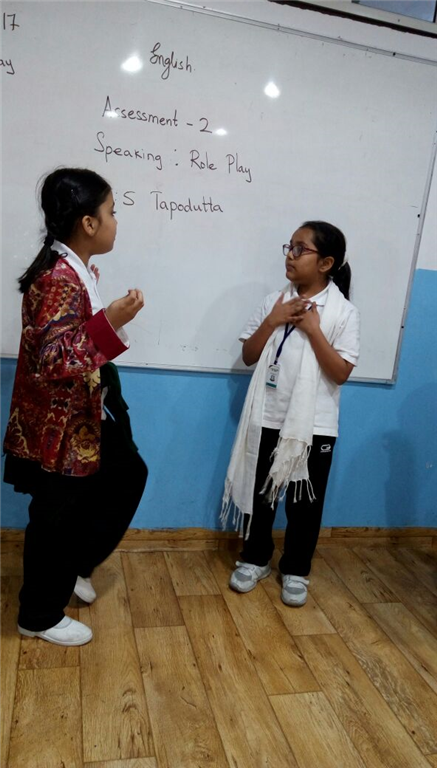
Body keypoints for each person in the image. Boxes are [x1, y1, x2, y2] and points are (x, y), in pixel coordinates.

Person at [3, 167, 148, 645]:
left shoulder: (74, 271)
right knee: (54, 516)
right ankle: (38, 615)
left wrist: (104, 319)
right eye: (112, 212)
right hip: (59, 426)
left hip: (81, 418)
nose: (115, 221)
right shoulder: (59, 278)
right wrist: (111, 320)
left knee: (126, 473)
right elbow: (53, 359)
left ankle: (73, 568)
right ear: (88, 223)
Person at [221, 221, 360, 606]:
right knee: (261, 494)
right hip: (268, 415)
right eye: (290, 246)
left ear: (326, 263)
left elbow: (341, 373)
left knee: (305, 503)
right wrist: (274, 319)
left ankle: (296, 569)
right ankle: (254, 558)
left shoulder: (344, 313)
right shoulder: (274, 301)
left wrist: (314, 329)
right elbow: (249, 356)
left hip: (315, 425)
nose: (290, 255)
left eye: (301, 249)